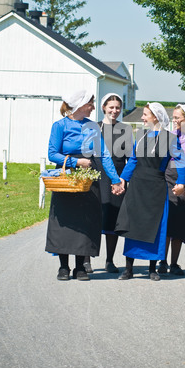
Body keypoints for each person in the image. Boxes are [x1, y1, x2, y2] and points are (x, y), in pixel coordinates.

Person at [45, 89, 124, 281]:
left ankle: (80, 266)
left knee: (85, 221)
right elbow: (52, 153)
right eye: (90, 104)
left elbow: (104, 154)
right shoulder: (60, 126)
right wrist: (76, 162)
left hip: (89, 179)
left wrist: (115, 180)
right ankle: (64, 266)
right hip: (66, 177)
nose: (93, 107)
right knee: (65, 222)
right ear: (80, 105)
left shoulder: (91, 127)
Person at [115, 102, 185, 281]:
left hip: (156, 187)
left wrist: (181, 182)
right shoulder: (140, 135)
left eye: (145, 114)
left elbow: (182, 162)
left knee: (156, 227)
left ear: (155, 116)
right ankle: (128, 269)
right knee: (133, 226)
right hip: (137, 187)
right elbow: (133, 160)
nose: (142, 117)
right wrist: (123, 179)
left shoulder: (170, 139)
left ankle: (152, 269)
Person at [84, 93, 133, 274]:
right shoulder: (92, 127)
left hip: (116, 179)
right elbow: (86, 153)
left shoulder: (125, 130)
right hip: (96, 177)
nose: (114, 111)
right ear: (104, 107)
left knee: (113, 221)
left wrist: (124, 180)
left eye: (118, 107)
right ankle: (86, 260)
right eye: (111, 107)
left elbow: (130, 158)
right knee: (92, 219)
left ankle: (110, 260)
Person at [159, 104, 185, 276]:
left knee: (180, 225)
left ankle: (174, 263)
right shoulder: (170, 137)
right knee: (167, 223)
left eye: (177, 118)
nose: (173, 121)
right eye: (173, 118)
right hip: (168, 181)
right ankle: (162, 261)